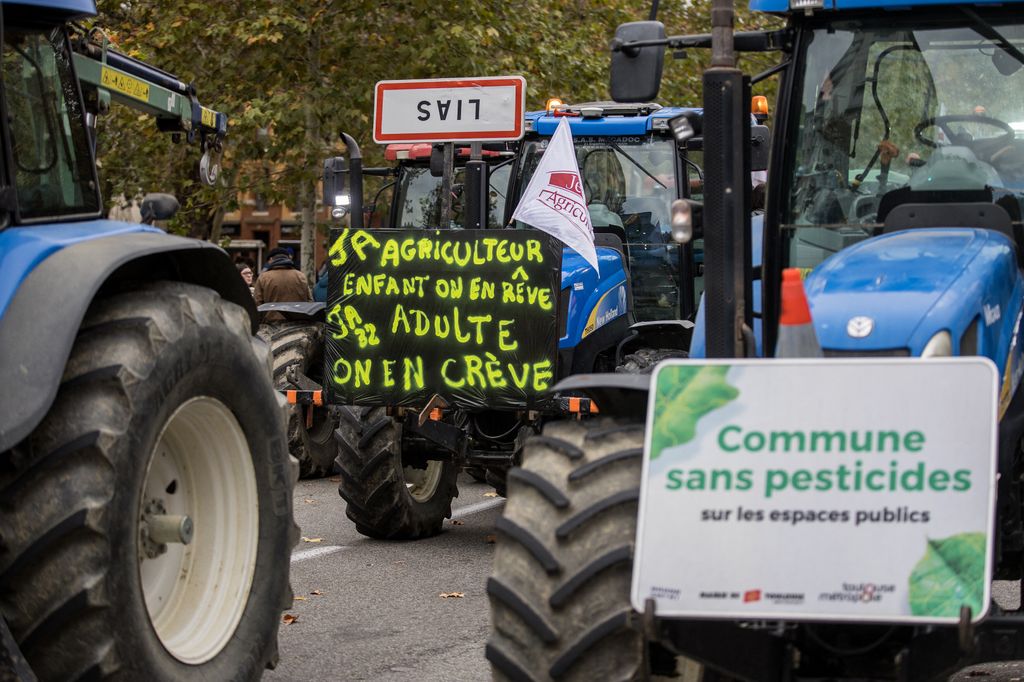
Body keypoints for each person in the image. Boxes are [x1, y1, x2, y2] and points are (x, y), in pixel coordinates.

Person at [254, 247, 311, 323]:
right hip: (298, 324)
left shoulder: (263, 277)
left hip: (272, 324)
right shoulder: (300, 276)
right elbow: (309, 300)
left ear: (271, 259)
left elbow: (257, 303)